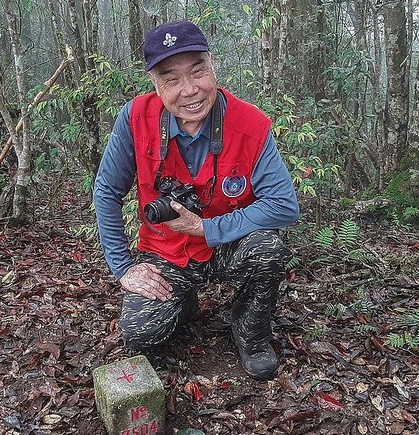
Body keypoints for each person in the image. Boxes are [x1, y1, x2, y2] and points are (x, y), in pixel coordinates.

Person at [93, 21, 299, 380]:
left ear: (213, 66)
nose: (189, 90)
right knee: (141, 333)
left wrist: (205, 227)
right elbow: (106, 191)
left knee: (268, 249)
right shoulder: (134, 119)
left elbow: (283, 204)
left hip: (228, 244)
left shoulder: (250, 124)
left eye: (197, 71)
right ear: (155, 85)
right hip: (167, 250)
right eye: (170, 79)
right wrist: (123, 267)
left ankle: (250, 332)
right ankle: (183, 302)